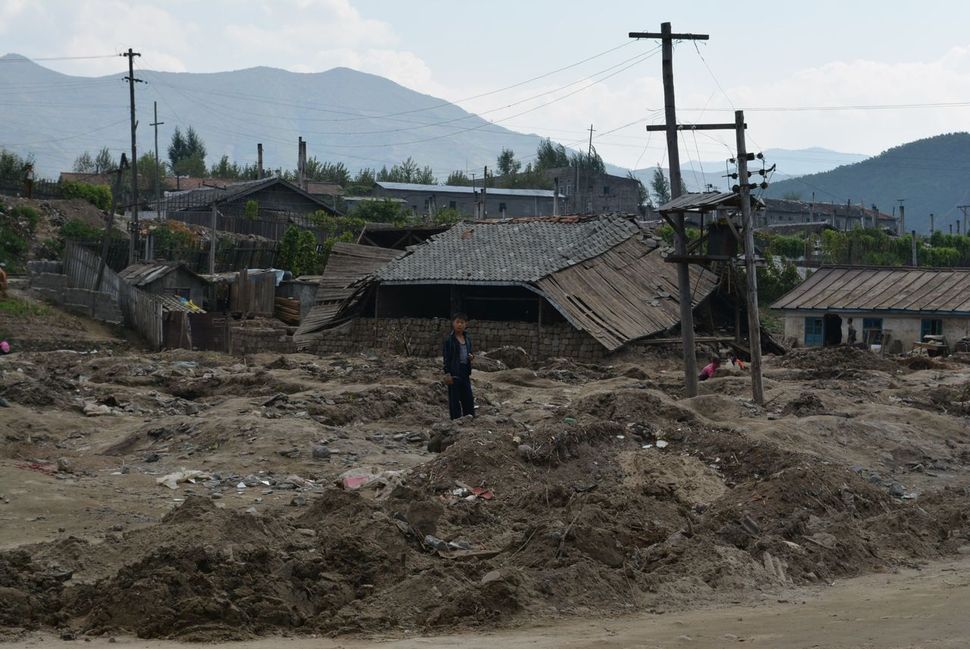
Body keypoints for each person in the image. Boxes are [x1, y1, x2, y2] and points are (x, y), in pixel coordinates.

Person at [442, 312, 474, 419]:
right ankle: (456, 421)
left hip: (465, 371)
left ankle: (469, 418)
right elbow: (446, 358)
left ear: (466, 324)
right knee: (454, 399)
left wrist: (471, 357)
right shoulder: (449, 340)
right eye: (457, 322)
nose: (459, 325)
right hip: (454, 371)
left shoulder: (467, 339)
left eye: (462, 322)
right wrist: (447, 373)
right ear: (453, 324)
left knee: (468, 397)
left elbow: (470, 353)